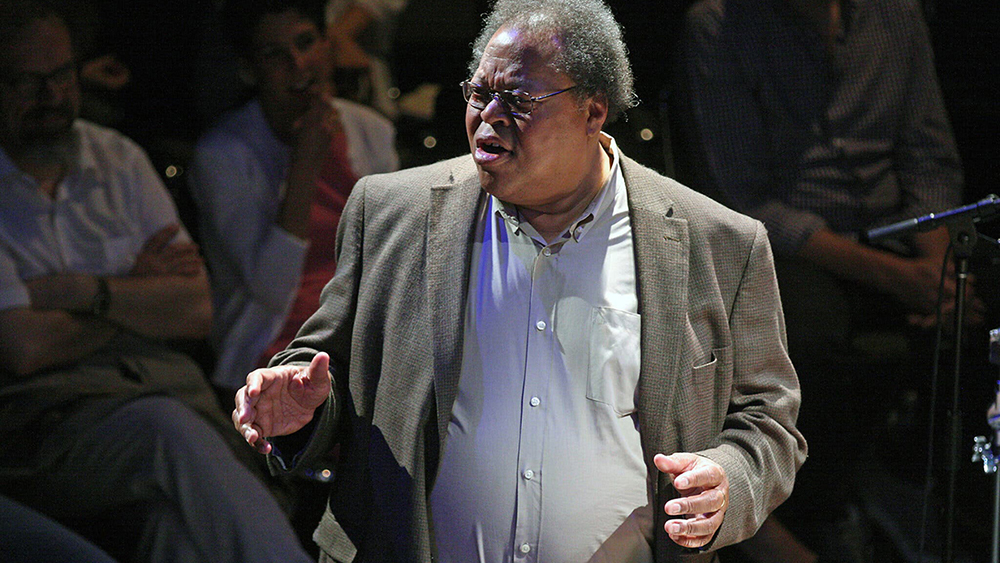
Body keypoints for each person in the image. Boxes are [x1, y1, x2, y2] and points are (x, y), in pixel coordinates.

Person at [233, 0, 806, 561]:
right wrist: (297, 408)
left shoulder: (721, 244)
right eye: (480, 93)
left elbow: (768, 418)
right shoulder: (390, 214)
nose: (490, 117)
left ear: (593, 111)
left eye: (521, 100)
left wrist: (731, 480)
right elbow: (324, 371)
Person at [0, 3, 313, 561]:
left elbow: (195, 309)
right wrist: (133, 294)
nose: (51, 95)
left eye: (62, 74)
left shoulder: (116, 158)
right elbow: (24, 348)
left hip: (155, 385)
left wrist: (82, 292)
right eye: (27, 80)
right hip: (38, 425)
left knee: (172, 529)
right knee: (168, 429)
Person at [672, 0, 979, 559]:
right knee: (805, 331)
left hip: (901, 235)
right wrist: (898, 278)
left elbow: (928, 158)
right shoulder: (721, 24)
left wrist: (937, 273)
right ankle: (810, 515)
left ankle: (925, 490)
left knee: (974, 315)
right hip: (796, 245)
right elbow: (750, 200)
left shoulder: (896, 16)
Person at [190, 0, 399, 393]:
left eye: (306, 43)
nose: (299, 64)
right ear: (249, 70)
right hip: (276, 335)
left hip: (363, 324)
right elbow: (268, 288)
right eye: (274, 55)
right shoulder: (223, 154)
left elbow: (393, 260)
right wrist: (305, 164)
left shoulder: (370, 131)